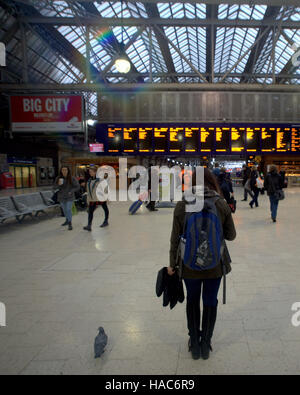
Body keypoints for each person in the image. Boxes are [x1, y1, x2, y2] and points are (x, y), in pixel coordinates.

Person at [168, 168, 236, 360]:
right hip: (215, 265)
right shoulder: (220, 203)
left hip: (189, 265)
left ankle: (194, 344)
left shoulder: (183, 204)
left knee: (192, 300)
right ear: (211, 181)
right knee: (210, 301)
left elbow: (174, 239)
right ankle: (206, 343)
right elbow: (231, 236)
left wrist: (172, 264)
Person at [83, 166, 109, 231]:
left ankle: (106, 221)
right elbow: (88, 191)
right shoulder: (89, 180)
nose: (90, 173)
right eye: (89, 172)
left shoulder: (101, 180)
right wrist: (88, 199)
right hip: (92, 199)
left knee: (105, 208)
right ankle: (89, 225)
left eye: (91, 172)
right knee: (90, 211)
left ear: (95, 172)